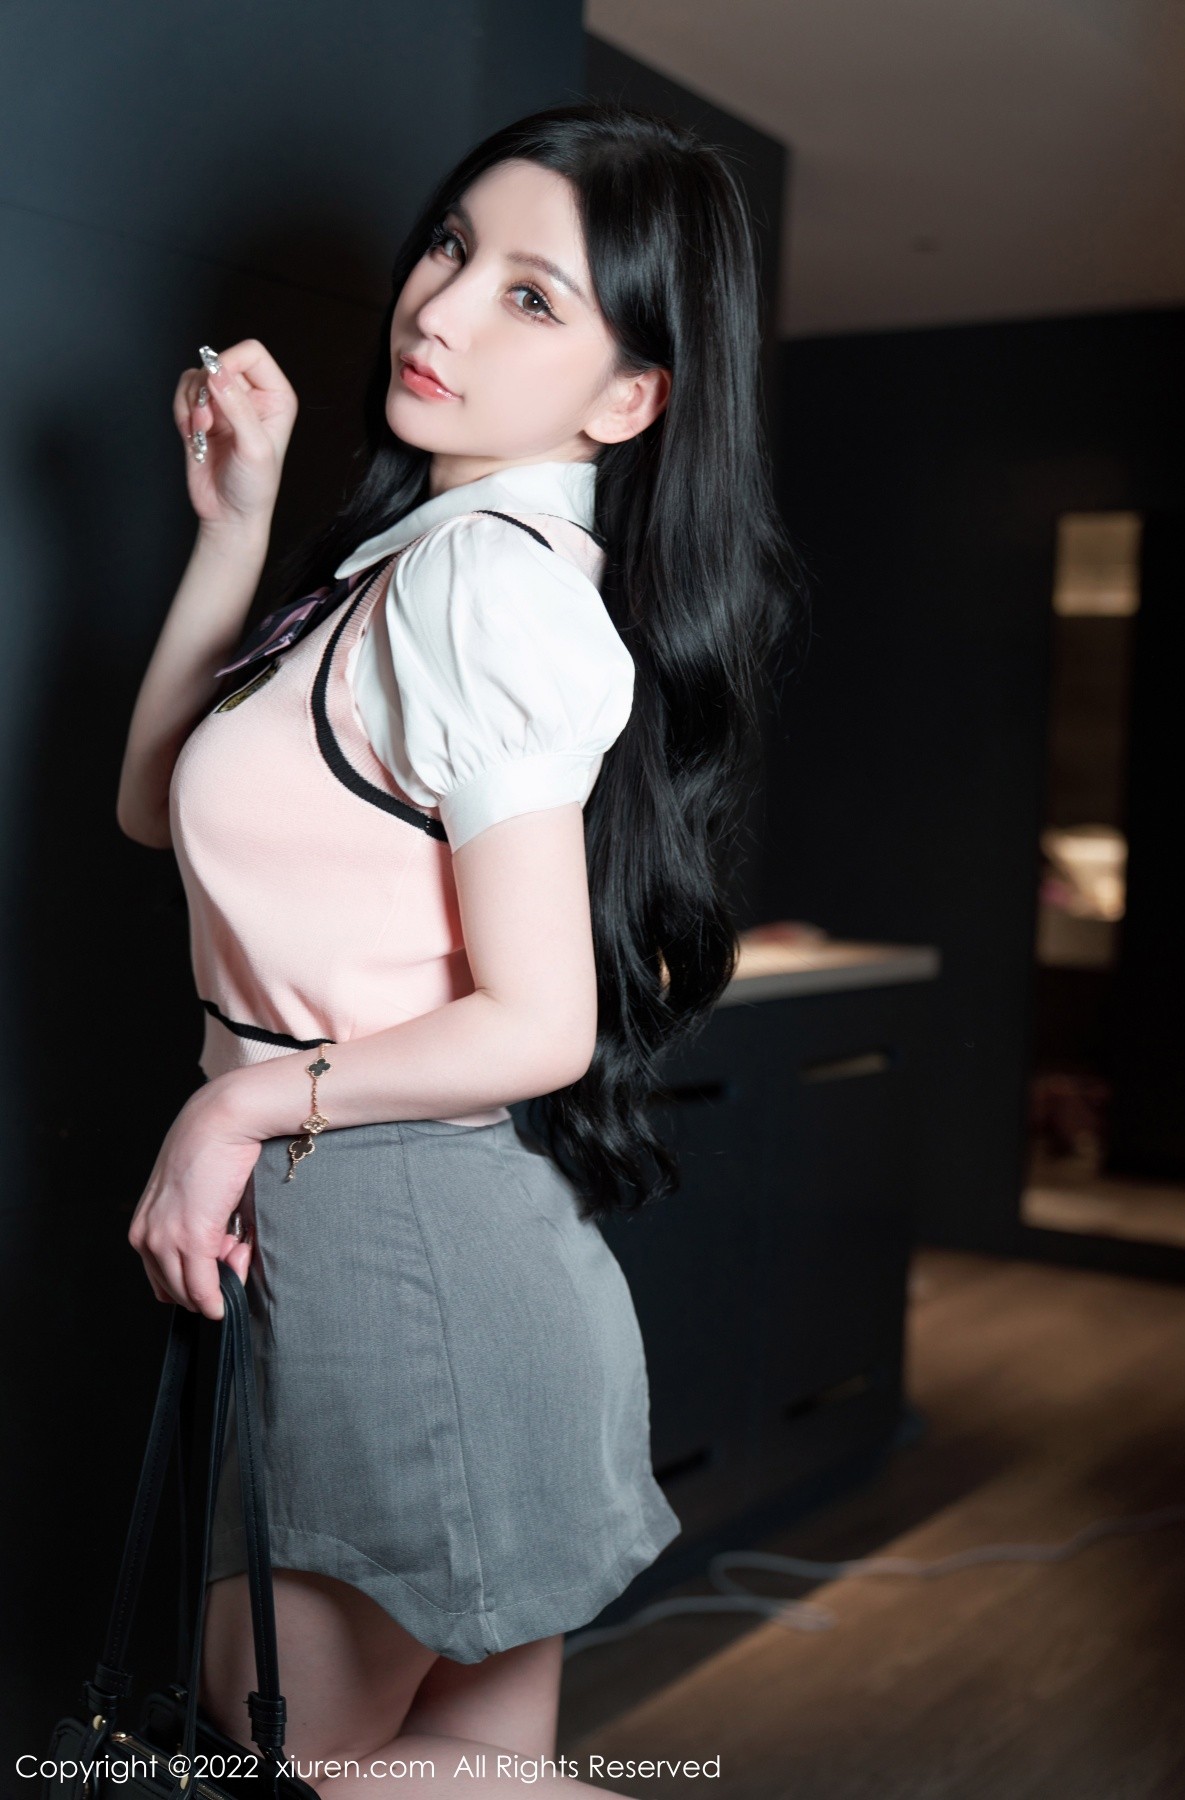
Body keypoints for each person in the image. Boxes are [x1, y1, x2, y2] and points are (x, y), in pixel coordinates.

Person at [117, 100, 803, 1797]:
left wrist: (230, 1107)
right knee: (450, 1768)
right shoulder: (414, 561)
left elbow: (539, 1021)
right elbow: (154, 805)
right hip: (411, 1237)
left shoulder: (483, 585)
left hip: (406, 1244)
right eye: (451, 246)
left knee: (293, 1731)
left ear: (628, 398)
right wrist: (234, 524)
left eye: (531, 296)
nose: (438, 307)